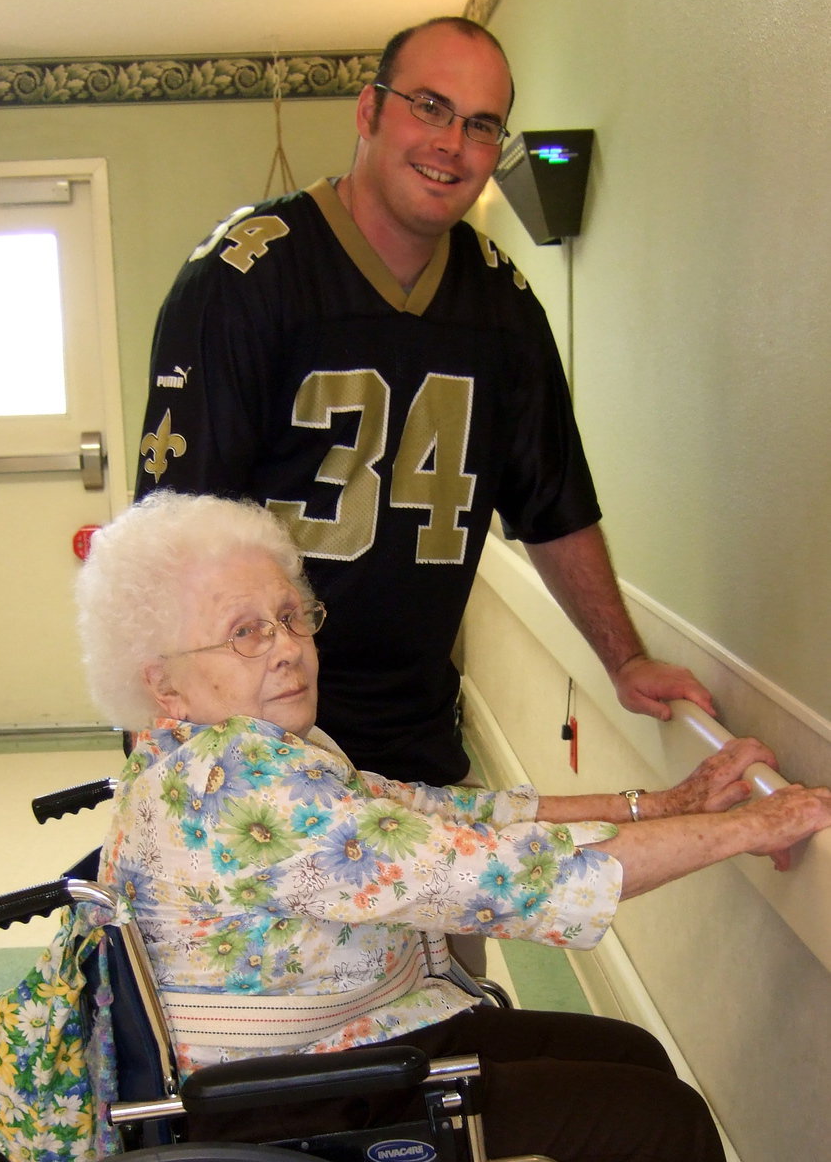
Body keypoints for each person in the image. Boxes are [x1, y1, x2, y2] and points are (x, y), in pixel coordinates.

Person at [77, 491, 831, 1162]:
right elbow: (508, 883)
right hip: (300, 1091)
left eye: (288, 616)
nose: (286, 647)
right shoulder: (241, 789)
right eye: (245, 632)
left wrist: (666, 804)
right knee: (662, 1119)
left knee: (633, 1055)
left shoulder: (212, 752)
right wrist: (750, 826)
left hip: (354, 1034)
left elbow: (439, 813)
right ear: (161, 683)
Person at [134, 15, 716, 787]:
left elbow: (554, 505)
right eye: (430, 107)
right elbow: (171, 541)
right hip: (255, 740)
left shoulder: (502, 307)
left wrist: (626, 659)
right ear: (369, 111)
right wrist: (172, 748)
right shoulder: (245, 279)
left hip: (415, 735)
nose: (452, 143)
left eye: (481, 125)